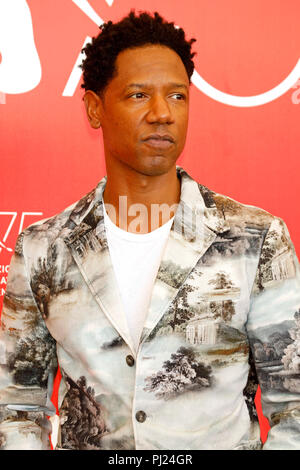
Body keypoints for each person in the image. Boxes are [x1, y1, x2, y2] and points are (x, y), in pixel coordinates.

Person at [0, 10, 300, 451]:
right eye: (139, 95)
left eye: (177, 96)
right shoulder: (44, 248)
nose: (162, 114)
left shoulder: (255, 239)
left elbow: (293, 401)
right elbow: (17, 406)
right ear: (94, 108)